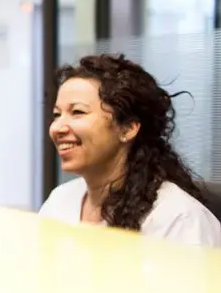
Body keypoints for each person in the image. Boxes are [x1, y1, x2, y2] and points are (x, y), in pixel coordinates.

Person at [40, 53, 221, 246]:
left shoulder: (179, 220)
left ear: (128, 128)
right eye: (57, 114)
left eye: (77, 112)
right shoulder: (59, 201)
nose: (57, 127)